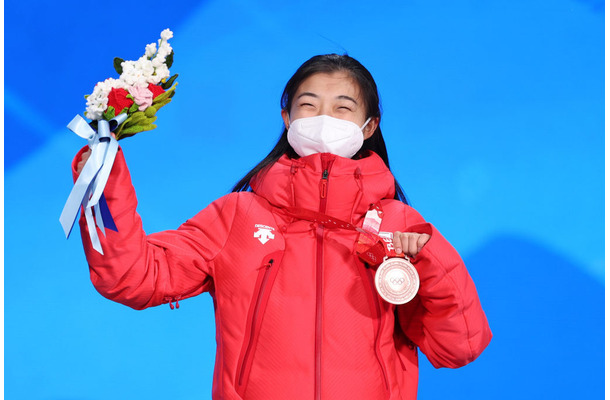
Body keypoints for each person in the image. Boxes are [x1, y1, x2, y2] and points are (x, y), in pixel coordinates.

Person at [74, 54, 491, 400]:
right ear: (287, 117)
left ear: (369, 127)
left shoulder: (401, 227)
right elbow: (132, 277)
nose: (323, 118)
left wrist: (430, 262)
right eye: (308, 105)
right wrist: (102, 179)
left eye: (343, 107)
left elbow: (458, 347)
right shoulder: (236, 217)